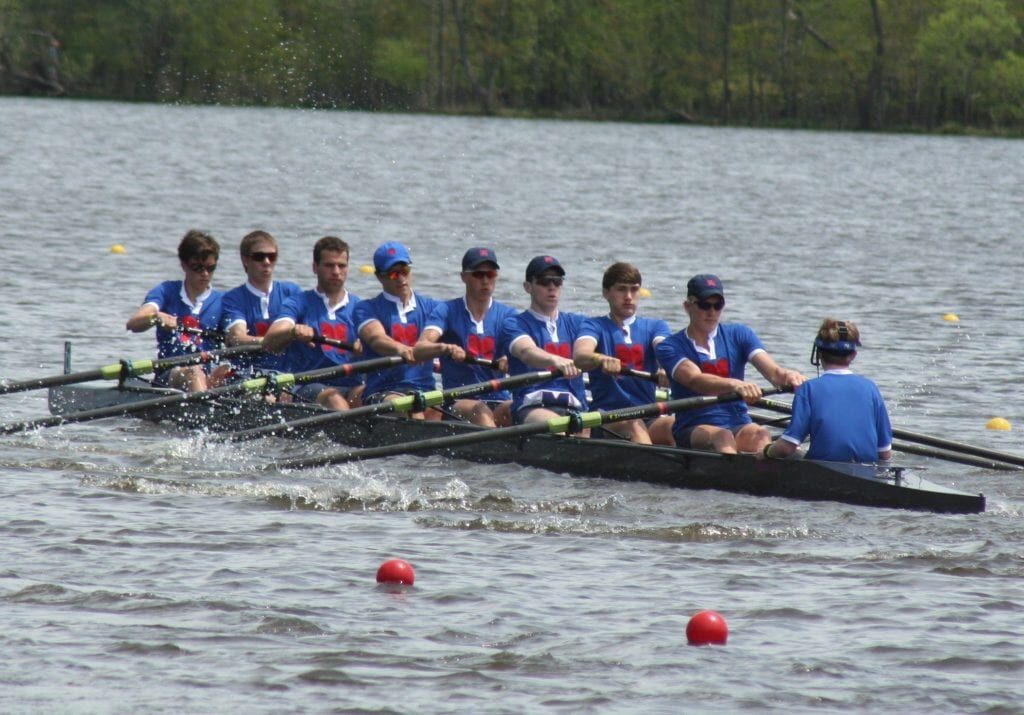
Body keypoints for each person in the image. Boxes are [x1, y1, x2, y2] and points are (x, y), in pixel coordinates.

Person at [655, 274, 805, 454]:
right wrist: (735, 385)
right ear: (688, 306)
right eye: (705, 305)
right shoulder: (670, 346)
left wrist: (789, 376)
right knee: (722, 436)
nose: (712, 312)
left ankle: (764, 468)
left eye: (718, 305)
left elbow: (774, 373)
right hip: (693, 427)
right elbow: (695, 380)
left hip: (738, 422)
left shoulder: (739, 334)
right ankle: (736, 469)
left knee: (761, 433)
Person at [761, 319, 893, 463]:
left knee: (791, 454)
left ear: (818, 353)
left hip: (821, 471)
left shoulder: (808, 389)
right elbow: (885, 453)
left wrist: (766, 451)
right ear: (854, 354)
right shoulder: (871, 388)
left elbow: (787, 447)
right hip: (867, 471)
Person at [413, 247, 517, 427]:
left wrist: (512, 360)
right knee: (480, 409)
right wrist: (446, 348)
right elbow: (420, 349)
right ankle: (497, 443)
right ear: (463, 277)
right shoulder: (446, 311)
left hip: (499, 399)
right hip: (458, 401)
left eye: (490, 274)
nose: (485, 280)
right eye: (478, 274)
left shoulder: (509, 316)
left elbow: (525, 351)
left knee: (519, 409)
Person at [573, 262, 674, 445]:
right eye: (621, 289)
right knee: (633, 423)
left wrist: (667, 367)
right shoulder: (594, 326)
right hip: (607, 417)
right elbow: (580, 355)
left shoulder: (656, 327)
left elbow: (664, 351)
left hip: (648, 415)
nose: (628, 297)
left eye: (634, 290)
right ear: (606, 293)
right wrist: (600, 358)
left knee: (676, 424)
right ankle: (652, 462)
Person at [262, 236, 364, 410]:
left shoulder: (361, 308)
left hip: (351, 385)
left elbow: (378, 340)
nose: (336, 271)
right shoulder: (298, 303)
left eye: (342, 265)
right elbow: (269, 342)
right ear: (315, 267)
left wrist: (367, 347)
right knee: (335, 400)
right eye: (329, 265)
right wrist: (292, 332)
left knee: (374, 396)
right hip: (308, 385)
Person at [125, 229, 228, 391]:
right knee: (194, 372)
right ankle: (203, 404)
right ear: (184, 265)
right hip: (170, 374)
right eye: (198, 268)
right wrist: (155, 317)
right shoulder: (166, 292)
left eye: (210, 268)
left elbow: (238, 336)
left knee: (229, 371)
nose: (205, 274)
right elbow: (133, 324)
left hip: (208, 375)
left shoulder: (224, 302)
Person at [498, 255, 588, 434]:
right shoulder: (514, 324)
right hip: (533, 407)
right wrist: (556, 360)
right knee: (559, 427)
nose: (552, 286)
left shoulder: (578, 323)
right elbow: (526, 351)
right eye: (544, 281)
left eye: (557, 281)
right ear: (528, 287)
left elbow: (599, 348)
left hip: (576, 409)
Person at [353, 241, 441, 418]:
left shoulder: (433, 307)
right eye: (394, 274)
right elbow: (377, 339)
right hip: (383, 392)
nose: (401, 278)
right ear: (380, 277)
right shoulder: (366, 308)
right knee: (411, 408)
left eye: (404, 271)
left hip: (425, 390)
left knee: (441, 410)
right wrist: (401, 349)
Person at [221, 230, 302, 374]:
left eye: (272, 256)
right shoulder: (233, 298)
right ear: (245, 260)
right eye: (259, 257)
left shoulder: (292, 292)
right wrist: (272, 342)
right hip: (250, 373)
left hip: (287, 373)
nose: (266, 262)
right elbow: (238, 338)